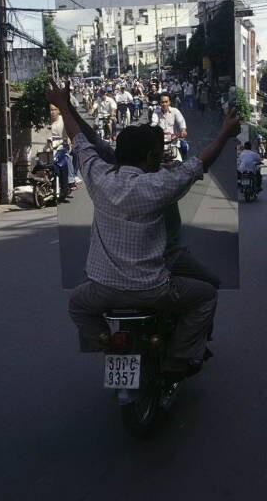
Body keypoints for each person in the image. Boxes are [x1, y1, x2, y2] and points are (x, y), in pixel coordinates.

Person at [47, 78, 240, 379]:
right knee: (206, 294)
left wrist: (65, 105)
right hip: (155, 284)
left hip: (103, 288)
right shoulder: (162, 183)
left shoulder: (99, 176)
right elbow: (201, 162)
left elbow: (81, 141)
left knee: (77, 305)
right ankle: (180, 357)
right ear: (151, 156)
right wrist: (226, 132)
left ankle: (105, 341)